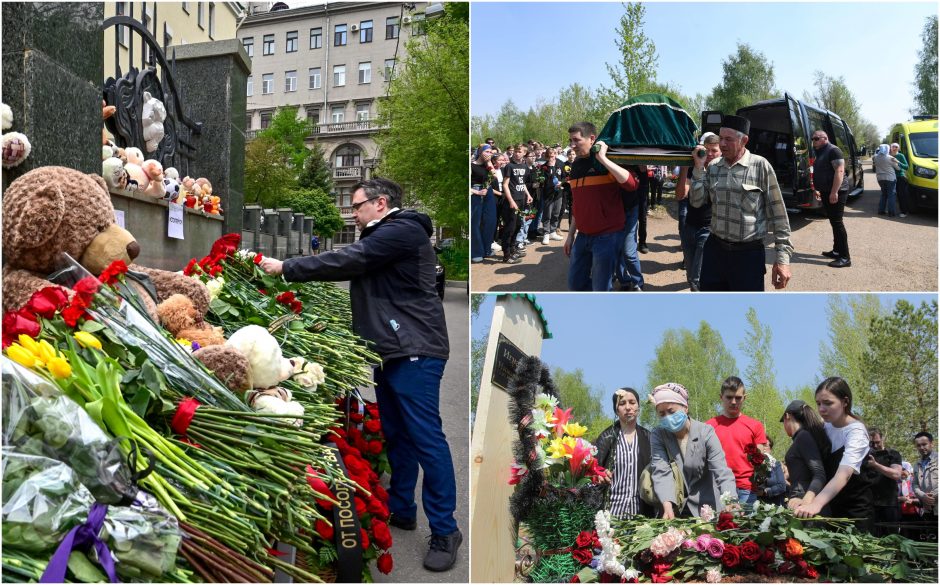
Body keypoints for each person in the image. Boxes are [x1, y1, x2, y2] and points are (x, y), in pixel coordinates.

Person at [259, 178, 462, 571]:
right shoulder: (390, 232)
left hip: (415, 348)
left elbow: (349, 259)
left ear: (381, 202)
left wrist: (287, 268)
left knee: (426, 439)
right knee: (397, 434)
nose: (353, 214)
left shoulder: (400, 230)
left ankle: (445, 530)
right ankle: (402, 508)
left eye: (357, 206)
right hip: (393, 349)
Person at [689, 114, 793, 291]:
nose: (722, 144)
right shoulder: (713, 167)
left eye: (728, 139)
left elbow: (779, 215)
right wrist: (699, 168)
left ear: (744, 140)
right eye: (721, 138)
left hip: (748, 257)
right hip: (714, 253)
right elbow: (697, 202)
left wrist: (782, 259)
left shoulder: (761, 166)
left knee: (745, 308)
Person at [563, 121, 639, 291]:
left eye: (576, 140)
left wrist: (603, 159)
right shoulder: (575, 166)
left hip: (607, 237)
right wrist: (570, 235)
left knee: (601, 287)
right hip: (582, 236)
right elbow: (577, 203)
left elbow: (631, 184)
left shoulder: (606, 162)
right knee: (575, 284)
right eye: (570, 141)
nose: (572, 146)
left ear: (592, 139)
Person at [795, 377, 874, 534]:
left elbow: (842, 475)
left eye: (828, 403)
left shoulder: (856, 432)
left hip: (855, 512)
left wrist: (815, 504)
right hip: (830, 508)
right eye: (818, 403)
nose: (821, 409)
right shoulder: (826, 427)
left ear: (845, 402)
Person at [648, 382, 737, 519]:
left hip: (707, 509)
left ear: (685, 407)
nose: (667, 417)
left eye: (671, 411)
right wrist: (667, 505)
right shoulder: (658, 435)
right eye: (662, 414)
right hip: (676, 509)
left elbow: (721, 470)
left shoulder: (705, 432)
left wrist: (730, 499)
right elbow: (661, 470)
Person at [706, 376, 769, 506]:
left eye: (738, 398)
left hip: (746, 489)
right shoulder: (709, 427)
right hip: (718, 488)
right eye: (729, 397)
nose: (734, 402)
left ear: (744, 398)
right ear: (721, 397)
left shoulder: (755, 426)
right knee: (720, 526)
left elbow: (760, 461)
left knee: (745, 526)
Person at [594, 388, 654, 518]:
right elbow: (592, 471)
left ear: (638, 407)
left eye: (632, 402)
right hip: (611, 515)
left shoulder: (649, 438)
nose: (628, 407)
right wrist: (599, 475)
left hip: (641, 517)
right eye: (622, 403)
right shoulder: (606, 438)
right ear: (616, 409)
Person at [675, 133, 719, 291]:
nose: (710, 154)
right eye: (707, 150)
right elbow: (680, 195)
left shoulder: (722, 171)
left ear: (721, 152)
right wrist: (685, 166)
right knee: (690, 274)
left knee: (696, 278)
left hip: (709, 230)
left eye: (714, 150)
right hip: (689, 227)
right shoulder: (694, 167)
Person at [780, 400, 831, 514]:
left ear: (787, 416)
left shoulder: (803, 436)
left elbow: (819, 473)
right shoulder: (804, 437)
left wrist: (806, 501)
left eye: (783, 421)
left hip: (806, 504)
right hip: (802, 500)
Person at [811, 130, 851, 268]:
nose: (814, 141)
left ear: (825, 138)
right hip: (826, 191)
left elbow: (839, 171)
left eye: (816, 138)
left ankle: (845, 257)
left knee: (837, 223)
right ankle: (836, 251)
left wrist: (834, 192)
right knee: (834, 222)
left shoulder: (834, 150)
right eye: (813, 139)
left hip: (837, 191)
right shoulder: (820, 151)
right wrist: (818, 189)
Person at [862, 428, 903, 535]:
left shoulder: (892, 454)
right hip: (869, 505)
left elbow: (896, 474)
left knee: (892, 537)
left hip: (889, 503)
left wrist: (876, 465)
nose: (875, 446)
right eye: (871, 443)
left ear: (882, 439)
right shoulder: (863, 456)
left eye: (877, 442)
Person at [500, 145, 532, 264]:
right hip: (511, 201)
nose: (516, 153)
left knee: (518, 225)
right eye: (515, 151)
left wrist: (528, 195)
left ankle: (513, 250)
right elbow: (505, 185)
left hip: (521, 199)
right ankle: (506, 255)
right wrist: (511, 201)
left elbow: (522, 183)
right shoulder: (509, 166)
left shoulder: (524, 166)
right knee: (510, 228)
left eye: (519, 152)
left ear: (524, 153)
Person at [470, 146, 496, 263]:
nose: (489, 153)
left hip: (488, 192)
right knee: (475, 223)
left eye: (491, 152)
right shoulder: (471, 165)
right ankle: (476, 251)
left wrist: (489, 162)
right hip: (476, 192)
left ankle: (487, 249)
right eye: (487, 151)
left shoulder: (488, 166)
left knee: (490, 221)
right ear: (480, 152)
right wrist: (476, 192)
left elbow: (496, 176)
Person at [539, 147, 566, 245]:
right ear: (547, 156)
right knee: (547, 214)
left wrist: (561, 183)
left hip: (558, 193)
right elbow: (541, 181)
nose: (552, 157)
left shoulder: (560, 164)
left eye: (553, 154)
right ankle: (546, 233)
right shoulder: (543, 167)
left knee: (556, 213)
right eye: (550, 155)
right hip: (548, 194)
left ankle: (553, 232)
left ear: (555, 154)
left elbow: (564, 177)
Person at [912, 432, 938, 524]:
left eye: (924, 444)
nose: (922, 448)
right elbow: (914, 484)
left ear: (932, 443)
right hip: (927, 510)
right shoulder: (917, 464)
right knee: (930, 536)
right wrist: (923, 496)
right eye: (919, 445)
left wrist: (930, 498)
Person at [755, 436, 787, 506]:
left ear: (771, 449)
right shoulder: (753, 464)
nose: (763, 448)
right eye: (762, 445)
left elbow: (782, 486)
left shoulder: (776, 464)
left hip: (774, 504)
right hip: (756, 503)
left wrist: (765, 492)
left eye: (766, 445)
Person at [872, 143, 899, 217]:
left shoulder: (876, 157)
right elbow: (898, 168)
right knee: (891, 195)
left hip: (880, 178)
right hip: (890, 178)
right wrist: (897, 161)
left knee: (884, 194)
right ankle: (891, 212)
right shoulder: (890, 158)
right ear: (887, 149)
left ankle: (881, 210)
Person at [890, 142, 910, 218]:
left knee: (901, 194)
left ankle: (904, 211)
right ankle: (891, 210)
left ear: (898, 148)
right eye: (893, 147)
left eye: (896, 147)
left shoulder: (900, 155)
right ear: (890, 148)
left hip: (899, 177)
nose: (894, 148)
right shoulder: (888, 156)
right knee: (891, 194)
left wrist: (898, 162)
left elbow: (906, 167)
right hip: (890, 177)